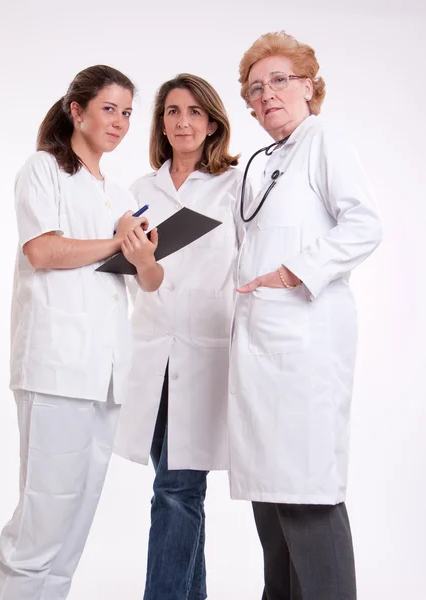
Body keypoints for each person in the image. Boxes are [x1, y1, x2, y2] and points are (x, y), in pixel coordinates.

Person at [0, 64, 163, 600]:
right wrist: (115, 244)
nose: (120, 122)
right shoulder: (43, 170)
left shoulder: (114, 193)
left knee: (72, 531)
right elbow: (42, 250)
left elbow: (148, 282)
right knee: (40, 524)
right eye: (109, 108)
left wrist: (145, 253)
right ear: (76, 111)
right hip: (57, 368)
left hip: (106, 377)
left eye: (128, 113)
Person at [228, 31, 383, 600]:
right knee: (272, 512)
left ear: (309, 87)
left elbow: (364, 225)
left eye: (279, 80)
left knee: (307, 502)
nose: (266, 93)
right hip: (261, 353)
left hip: (304, 354)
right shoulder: (263, 162)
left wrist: (295, 271)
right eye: (255, 87)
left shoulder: (325, 141)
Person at [114, 73, 247, 600]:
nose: (183, 121)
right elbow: (130, 268)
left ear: (213, 122)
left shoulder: (237, 185)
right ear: (161, 123)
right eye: (172, 111)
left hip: (205, 348)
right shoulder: (140, 191)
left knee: (176, 489)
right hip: (150, 351)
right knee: (178, 490)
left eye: (194, 111)